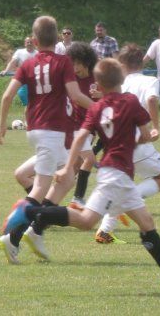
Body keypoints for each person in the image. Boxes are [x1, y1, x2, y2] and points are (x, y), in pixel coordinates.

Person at [1, 58, 160, 291]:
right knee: (88, 221)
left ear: (98, 84)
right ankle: (29, 211)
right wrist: (149, 135)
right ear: (121, 79)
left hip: (112, 172)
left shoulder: (96, 108)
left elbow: (80, 137)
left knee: (140, 222)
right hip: (118, 174)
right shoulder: (130, 101)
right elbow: (146, 135)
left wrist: (67, 167)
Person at [0, 16, 93, 264]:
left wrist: (2, 126)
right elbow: (75, 95)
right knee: (40, 188)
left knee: (67, 178)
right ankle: (12, 235)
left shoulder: (27, 64)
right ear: (58, 37)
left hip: (37, 130)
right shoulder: (63, 62)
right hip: (53, 131)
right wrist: (100, 108)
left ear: (35, 40)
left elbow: (7, 96)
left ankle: (36, 230)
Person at [95, 43, 160, 244]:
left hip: (117, 144)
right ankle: (123, 205)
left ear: (122, 63)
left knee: (122, 185)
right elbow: (152, 100)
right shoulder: (149, 80)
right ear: (142, 62)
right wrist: (155, 127)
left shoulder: (118, 83)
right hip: (140, 142)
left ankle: (104, 231)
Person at [65, 42, 99, 210]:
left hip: (91, 128)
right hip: (76, 126)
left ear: (87, 61)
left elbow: (114, 95)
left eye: (78, 63)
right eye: (72, 63)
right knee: (89, 160)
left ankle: (49, 196)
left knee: (75, 166)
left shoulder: (97, 77)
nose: (75, 68)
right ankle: (77, 198)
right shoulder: (71, 80)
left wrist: (101, 95)